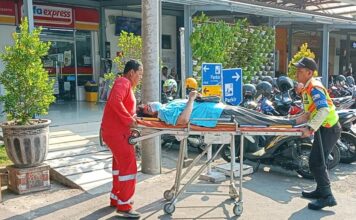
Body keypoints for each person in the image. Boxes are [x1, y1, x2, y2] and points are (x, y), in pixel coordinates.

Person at [292, 57, 341, 210]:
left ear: (309, 73)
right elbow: (310, 111)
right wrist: (293, 121)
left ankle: (327, 197)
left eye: (300, 71)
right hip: (324, 128)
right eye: (297, 71)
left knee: (316, 162)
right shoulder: (307, 88)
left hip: (329, 128)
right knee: (317, 161)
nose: (296, 74)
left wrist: (310, 128)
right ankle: (321, 190)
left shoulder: (314, 87)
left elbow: (324, 109)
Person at [101, 59, 143, 218]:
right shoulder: (123, 82)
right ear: (131, 72)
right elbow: (115, 101)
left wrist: (134, 115)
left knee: (119, 167)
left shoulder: (126, 85)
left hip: (115, 132)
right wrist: (130, 121)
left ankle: (116, 199)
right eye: (139, 74)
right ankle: (125, 206)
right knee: (129, 167)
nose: (140, 78)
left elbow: (121, 104)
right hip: (118, 133)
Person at [137, 91, 309, 128]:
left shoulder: (168, 104)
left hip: (216, 108)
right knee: (257, 120)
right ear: (150, 113)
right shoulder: (165, 113)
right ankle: (292, 122)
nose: (150, 104)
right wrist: (190, 100)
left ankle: (289, 120)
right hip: (216, 115)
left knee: (256, 115)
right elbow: (182, 121)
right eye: (147, 107)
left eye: (147, 102)